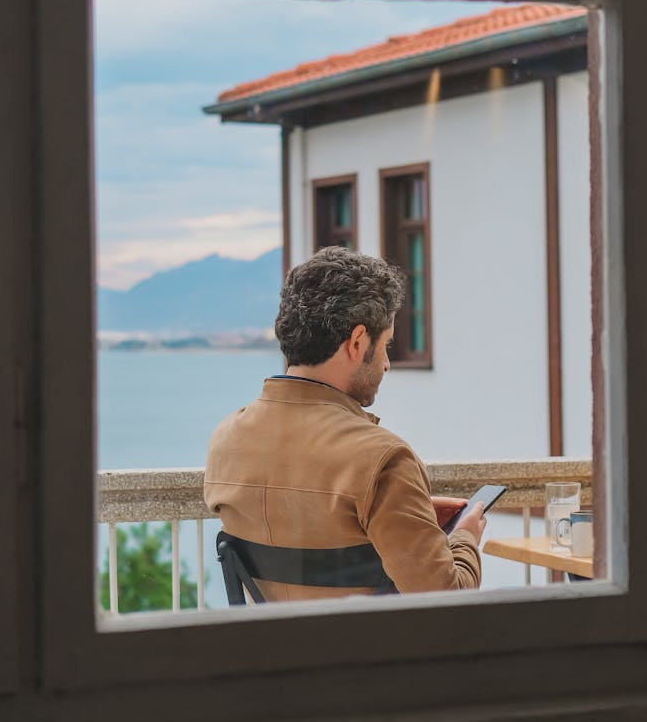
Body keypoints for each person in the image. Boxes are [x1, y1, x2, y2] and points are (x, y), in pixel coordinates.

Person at [204, 246, 486, 602]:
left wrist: (407, 512)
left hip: (270, 653)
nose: (386, 364)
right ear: (356, 342)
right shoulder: (383, 459)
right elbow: (446, 600)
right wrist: (465, 539)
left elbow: (300, 522)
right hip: (369, 654)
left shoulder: (226, 440)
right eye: (385, 345)